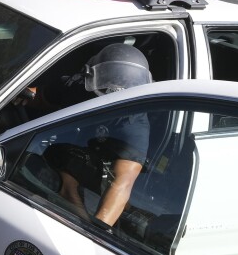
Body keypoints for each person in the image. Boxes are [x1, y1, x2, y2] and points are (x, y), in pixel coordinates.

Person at [36, 44, 153, 227]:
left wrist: (97, 232)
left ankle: (85, 222)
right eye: (104, 95)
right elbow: (42, 97)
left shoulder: (135, 125)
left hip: (102, 167)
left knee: (68, 166)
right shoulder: (80, 87)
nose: (109, 103)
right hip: (71, 146)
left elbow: (123, 182)